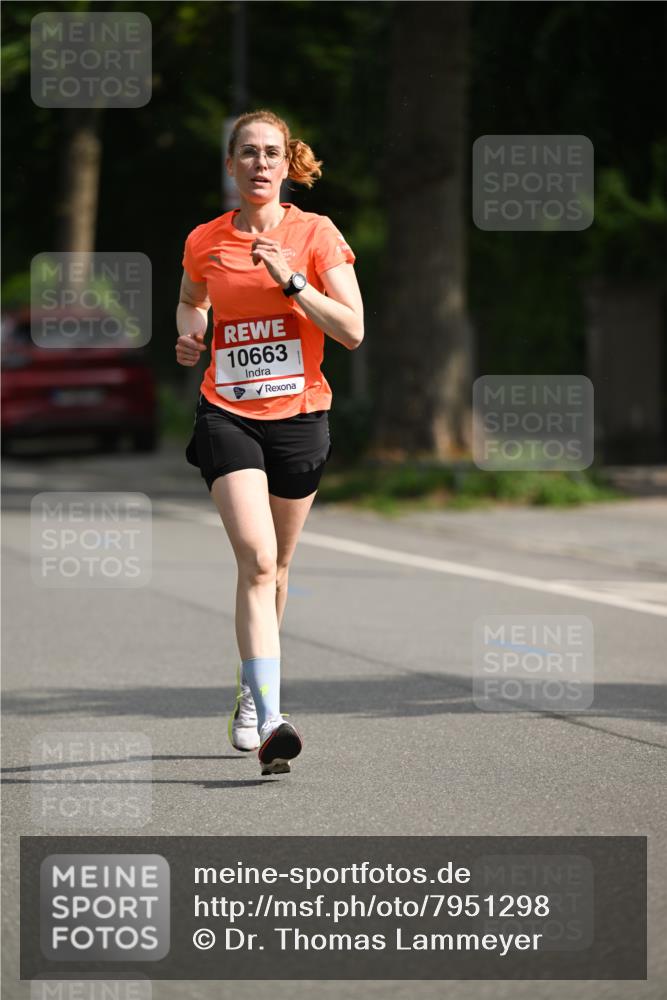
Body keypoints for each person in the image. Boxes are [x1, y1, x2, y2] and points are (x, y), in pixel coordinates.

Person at [175, 109, 364, 776]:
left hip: (301, 416)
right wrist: (191, 332)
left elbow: (351, 330)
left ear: (287, 165)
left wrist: (293, 281)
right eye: (248, 153)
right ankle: (271, 718)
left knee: (278, 568)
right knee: (256, 560)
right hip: (227, 413)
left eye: (271, 153)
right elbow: (192, 299)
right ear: (231, 165)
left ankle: (250, 693)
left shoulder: (316, 234)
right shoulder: (205, 240)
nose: (259, 163)